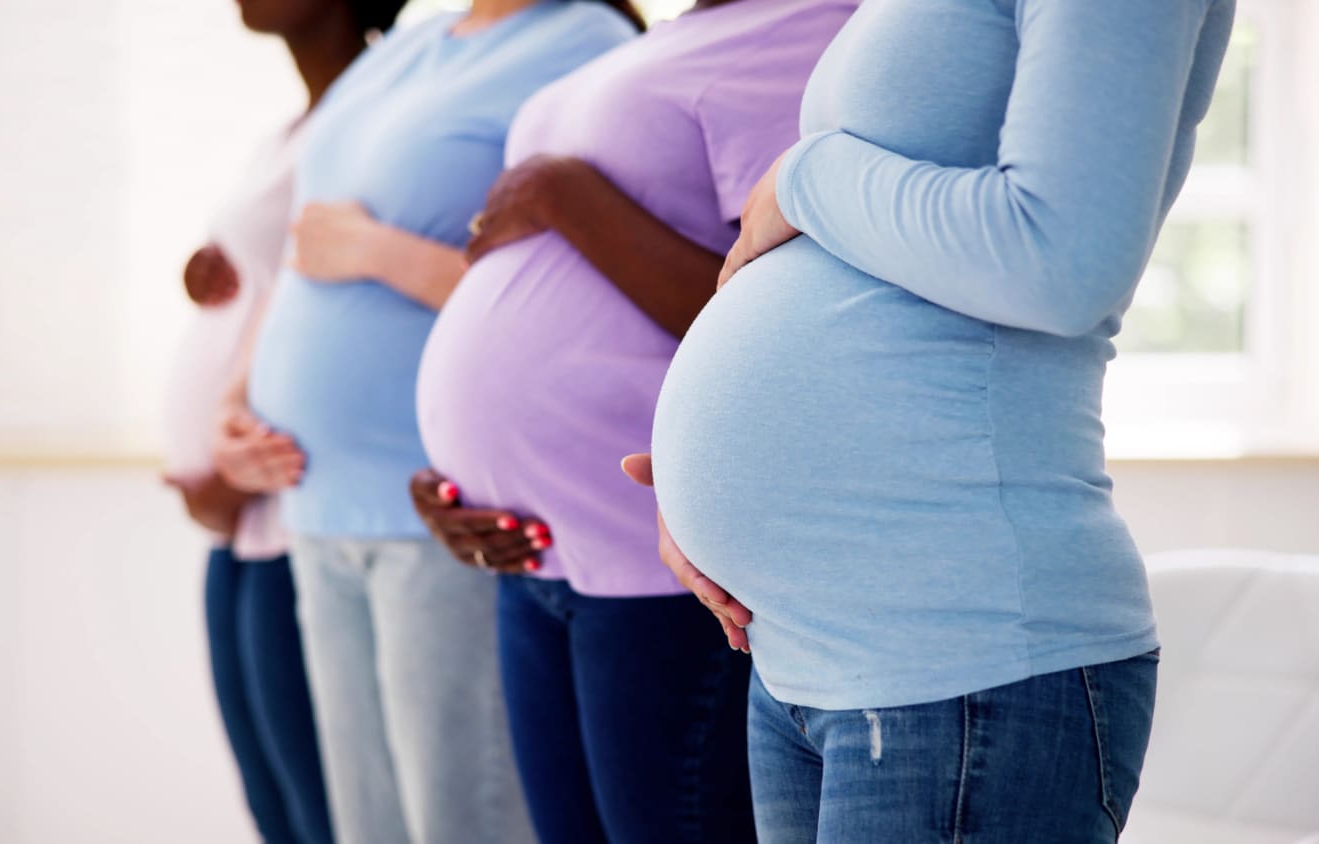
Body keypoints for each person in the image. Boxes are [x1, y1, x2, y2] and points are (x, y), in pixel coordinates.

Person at [633, 0, 1236, 841]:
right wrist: (708, 478)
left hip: (961, 662)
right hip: (803, 661)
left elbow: (1062, 263)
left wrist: (805, 178)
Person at [408, 1, 856, 841]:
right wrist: (464, 459)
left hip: (658, 565)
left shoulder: (814, 25)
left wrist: (559, 193)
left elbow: (788, 317)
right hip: (535, 556)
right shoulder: (679, 36)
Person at [231, 2, 639, 841]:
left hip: (440, 512)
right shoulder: (413, 44)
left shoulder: (586, 41)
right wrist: (234, 404)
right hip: (317, 504)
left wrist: (378, 252)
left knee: (464, 821)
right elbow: (306, 241)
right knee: (367, 826)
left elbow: (585, 290)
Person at [162, 3, 408, 843]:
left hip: (287, 501)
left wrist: (229, 473)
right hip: (238, 512)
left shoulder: (381, 107)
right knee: (274, 805)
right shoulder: (295, 125)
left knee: (320, 812)